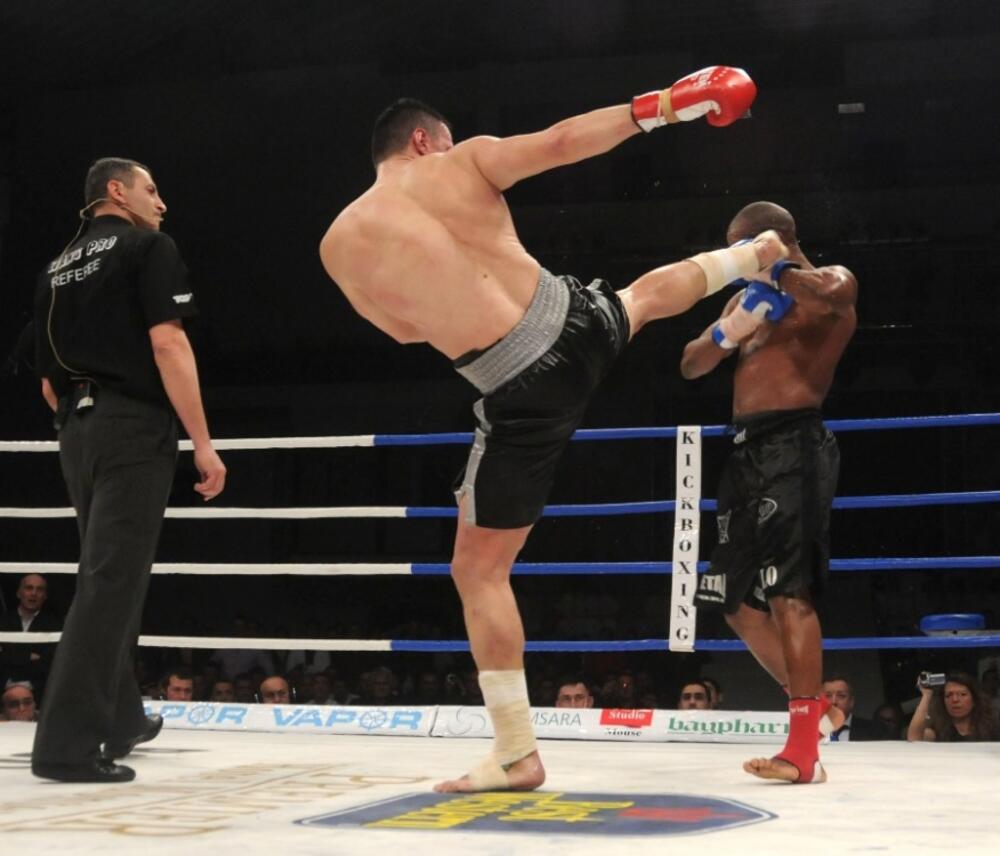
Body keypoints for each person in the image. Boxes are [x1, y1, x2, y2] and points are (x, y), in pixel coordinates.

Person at [320, 67, 786, 794]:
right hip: (571, 317)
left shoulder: (340, 243)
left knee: (479, 572)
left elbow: (404, 333)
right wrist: (668, 106)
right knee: (638, 299)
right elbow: (565, 141)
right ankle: (755, 255)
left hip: (516, 385)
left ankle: (516, 753)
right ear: (425, 140)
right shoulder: (466, 162)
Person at [30, 157, 227, 783]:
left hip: (77, 431)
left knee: (108, 575)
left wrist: (83, 424)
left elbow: (46, 380)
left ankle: (121, 719)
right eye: (152, 190)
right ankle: (64, 747)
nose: (161, 203)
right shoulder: (148, 247)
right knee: (111, 581)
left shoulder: (56, 267)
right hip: (131, 425)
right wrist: (202, 442)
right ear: (117, 192)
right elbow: (169, 343)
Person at [682, 201, 858, 784]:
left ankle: (802, 752)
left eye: (737, 250)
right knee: (732, 602)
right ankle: (819, 714)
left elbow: (834, 297)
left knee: (789, 592)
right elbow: (691, 364)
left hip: (795, 446)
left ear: (768, 240)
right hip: (743, 453)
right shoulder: (745, 300)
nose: (732, 262)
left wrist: (776, 268)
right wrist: (730, 329)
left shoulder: (828, 282)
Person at [0, 572, 62, 703]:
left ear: (45, 596)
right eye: (29, 588)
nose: (34, 593)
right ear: (18, 593)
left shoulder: (55, 625)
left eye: (39, 589)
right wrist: (28, 656)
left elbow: (50, 662)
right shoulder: (3, 621)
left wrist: (11, 655)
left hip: (39, 695)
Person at [907, 672, 1000, 742]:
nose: (955, 700)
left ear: (974, 699)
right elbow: (914, 737)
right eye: (949, 695)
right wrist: (927, 694)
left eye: (962, 694)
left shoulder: (992, 725)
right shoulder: (938, 728)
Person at [822, 676, 889, 741]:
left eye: (841, 696)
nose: (833, 702)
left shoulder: (874, 731)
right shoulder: (815, 729)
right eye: (827, 696)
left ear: (851, 701)